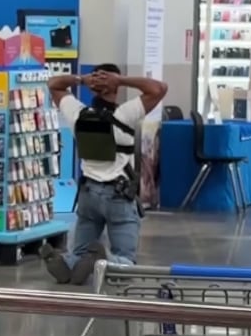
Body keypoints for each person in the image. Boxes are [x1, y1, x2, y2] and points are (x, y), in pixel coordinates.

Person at [41, 64, 167, 284]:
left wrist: (82, 79)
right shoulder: (125, 114)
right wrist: (122, 80)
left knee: (79, 251)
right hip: (119, 196)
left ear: (92, 87)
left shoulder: (78, 113)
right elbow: (159, 88)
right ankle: (107, 260)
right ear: (115, 86)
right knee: (126, 258)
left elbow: (53, 85)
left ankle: (69, 264)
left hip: (88, 194)